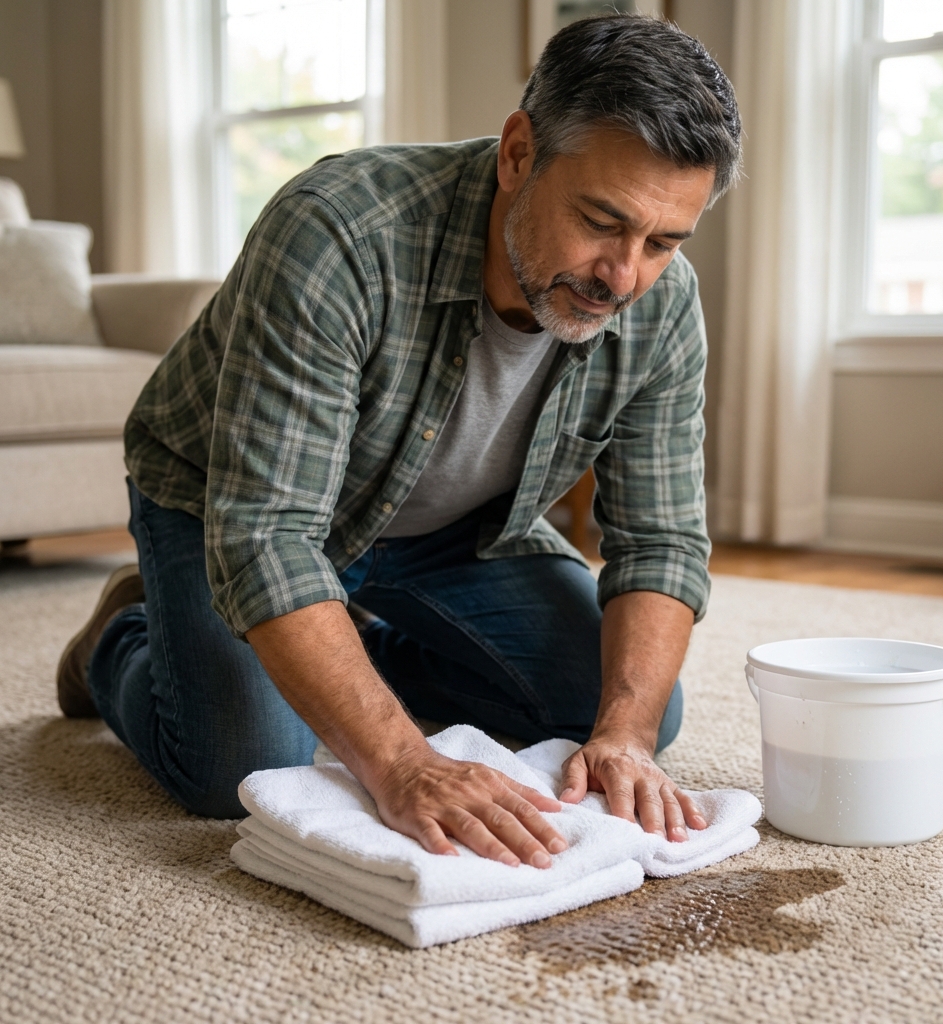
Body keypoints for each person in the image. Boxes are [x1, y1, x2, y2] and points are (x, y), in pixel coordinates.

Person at [57, 14, 741, 872]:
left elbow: (661, 541)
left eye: (663, 242)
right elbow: (267, 534)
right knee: (239, 762)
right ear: (520, 153)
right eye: (603, 221)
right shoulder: (339, 230)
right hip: (227, 502)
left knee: (633, 709)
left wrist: (626, 736)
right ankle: (126, 631)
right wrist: (402, 762)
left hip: (452, 528)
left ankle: (340, 647)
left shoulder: (663, 303)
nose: (624, 276)